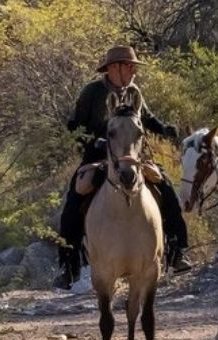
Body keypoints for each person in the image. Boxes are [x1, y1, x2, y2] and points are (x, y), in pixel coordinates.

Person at [55, 44, 188, 287]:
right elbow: (74, 127)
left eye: (134, 66)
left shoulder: (134, 91)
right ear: (114, 68)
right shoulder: (92, 92)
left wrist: (165, 129)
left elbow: (146, 118)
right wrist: (95, 141)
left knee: (166, 188)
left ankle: (177, 251)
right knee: (75, 198)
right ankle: (68, 264)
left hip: (134, 157)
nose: (134, 71)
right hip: (99, 157)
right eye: (130, 66)